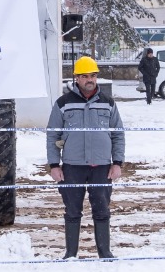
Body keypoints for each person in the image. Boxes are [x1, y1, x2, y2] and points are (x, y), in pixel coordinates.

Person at [46, 56, 126, 259]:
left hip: (101, 167)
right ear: (76, 78)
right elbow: (53, 134)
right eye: (85, 76)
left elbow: (118, 133)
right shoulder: (63, 104)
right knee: (72, 210)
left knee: (101, 209)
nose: (89, 79)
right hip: (73, 167)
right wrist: (54, 165)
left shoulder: (108, 103)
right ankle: (70, 253)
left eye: (93, 76)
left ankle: (105, 252)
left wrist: (117, 163)